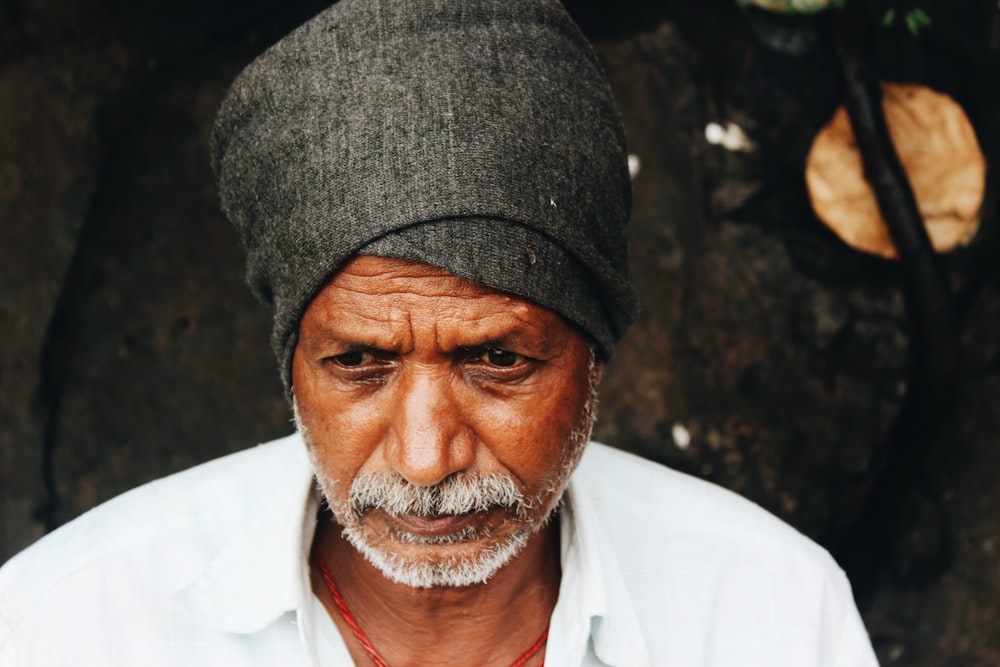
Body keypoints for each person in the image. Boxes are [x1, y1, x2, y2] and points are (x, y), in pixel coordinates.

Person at [0, 0, 879, 665]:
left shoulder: (773, 617)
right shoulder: (68, 624)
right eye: (358, 363)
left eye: (497, 360)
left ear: (594, 352)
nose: (426, 459)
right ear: (293, 360)